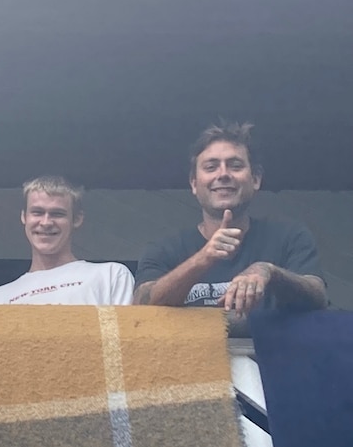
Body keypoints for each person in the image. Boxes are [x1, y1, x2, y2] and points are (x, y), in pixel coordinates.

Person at [134, 121, 327, 316]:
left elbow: (318, 297)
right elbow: (142, 305)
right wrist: (204, 258)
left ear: (256, 179)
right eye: (211, 167)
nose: (223, 174)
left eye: (235, 166)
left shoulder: (289, 237)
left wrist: (267, 271)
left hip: (269, 347)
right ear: (194, 183)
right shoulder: (164, 249)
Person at [0, 175, 134, 305]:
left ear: (77, 219)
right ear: (24, 217)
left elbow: (125, 347)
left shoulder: (111, 276)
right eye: (37, 212)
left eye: (57, 214)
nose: (46, 222)